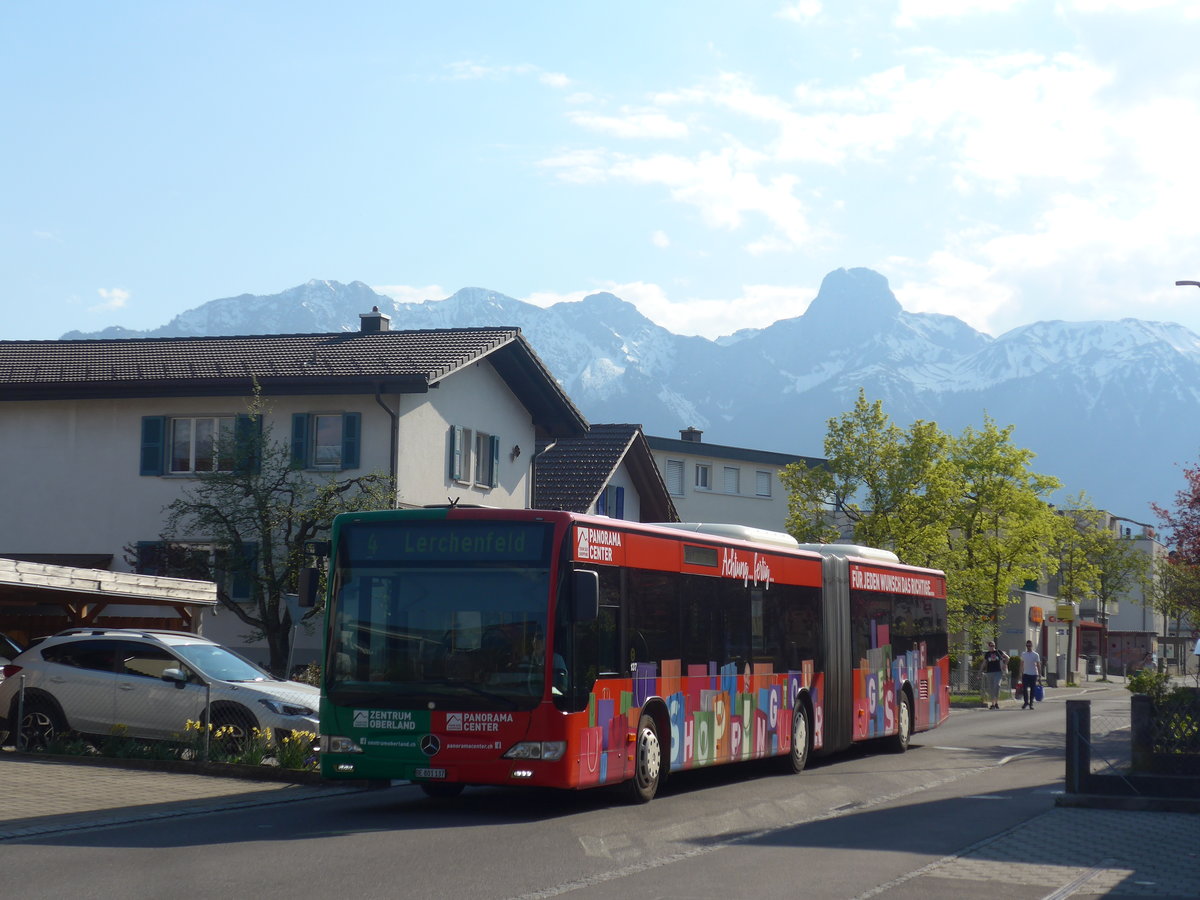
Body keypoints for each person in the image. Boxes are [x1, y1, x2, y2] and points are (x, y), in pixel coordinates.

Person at [979, 640, 1009, 709]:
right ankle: (992, 704)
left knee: (997, 686)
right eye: (991, 646)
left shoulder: (998, 652)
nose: (992, 647)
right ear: (988, 646)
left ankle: (996, 703)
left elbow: (1007, 658)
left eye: (993, 646)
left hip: (998, 672)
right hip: (989, 672)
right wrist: (980, 671)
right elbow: (984, 663)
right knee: (991, 688)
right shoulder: (987, 654)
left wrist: (1005, 664)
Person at [1020, 639, 1041, 709]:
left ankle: (1031, 703)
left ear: (1032, 646)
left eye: (1030, 645)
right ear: (1026, 646)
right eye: (1027, 645)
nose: (1028, 647)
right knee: (1024, 689)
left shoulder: (1035, 655)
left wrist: (1039, 675)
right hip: (1025, 674)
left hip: (1033, 674)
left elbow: (1038, 665)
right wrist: (1021, 673)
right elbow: (1021, 664)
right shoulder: (1023, 654)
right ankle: (1026, 702)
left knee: (1032, 689)